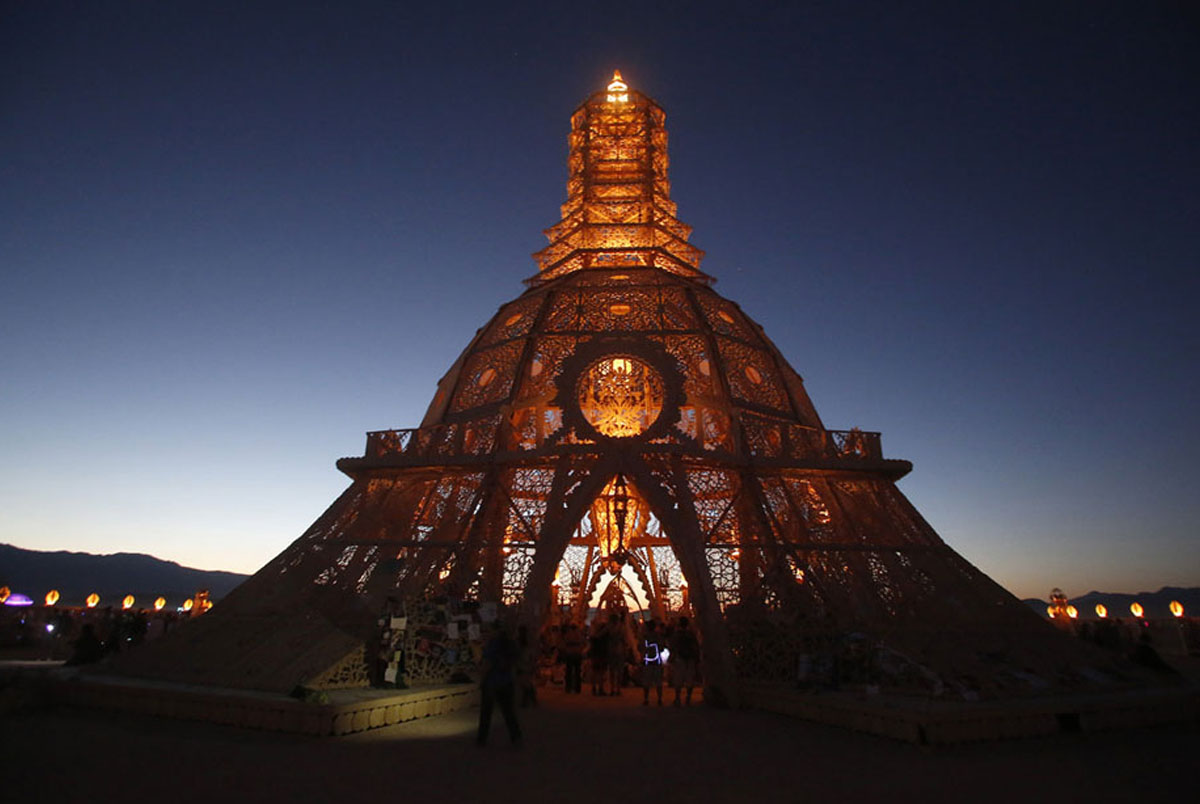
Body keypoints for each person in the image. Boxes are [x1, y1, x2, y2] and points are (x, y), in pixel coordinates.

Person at [477, 622, 522, 747]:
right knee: (509, 712)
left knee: (486, 712)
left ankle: (482, 738)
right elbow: (516, 660)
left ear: (494, 630)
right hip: (506, 681)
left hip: (492, 682)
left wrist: (482, 679)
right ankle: (516, 736)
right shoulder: (510, 644)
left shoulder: (493, 644)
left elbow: (487, 663)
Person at [668, 616, 700, 705]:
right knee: (689, 679)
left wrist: (672, 656)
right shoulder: (691, 634)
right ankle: (688, 697)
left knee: (678, 678)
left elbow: (672, 646)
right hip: (690, 658)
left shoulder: (677, 635)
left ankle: (678, 698)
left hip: (680, 658)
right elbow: (696, 646)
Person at [640, 619, 665, 706]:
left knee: (646, 681)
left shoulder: (645, 637)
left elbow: (641, 648)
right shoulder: (658, 636)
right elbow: (662, 648)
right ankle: (659, 699)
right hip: (657, 660)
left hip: (647, 660)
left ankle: (646, 699)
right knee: (658, 681)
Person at [560, 622, 585, 694]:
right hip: (576, 653)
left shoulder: (568, 633)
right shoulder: (579, 633)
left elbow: (565, 641)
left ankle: (569, 687)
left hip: (570, 653)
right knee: (577, 671)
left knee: (569, 671)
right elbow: (582, 642)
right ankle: (577, 688)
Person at [588, 618, 610, 696]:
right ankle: (600, 688)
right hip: (602, 654)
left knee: (595, 671)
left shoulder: (592, 637)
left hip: (595, 654)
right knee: (601, 672)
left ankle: (594, 687)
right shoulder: (604, 637)